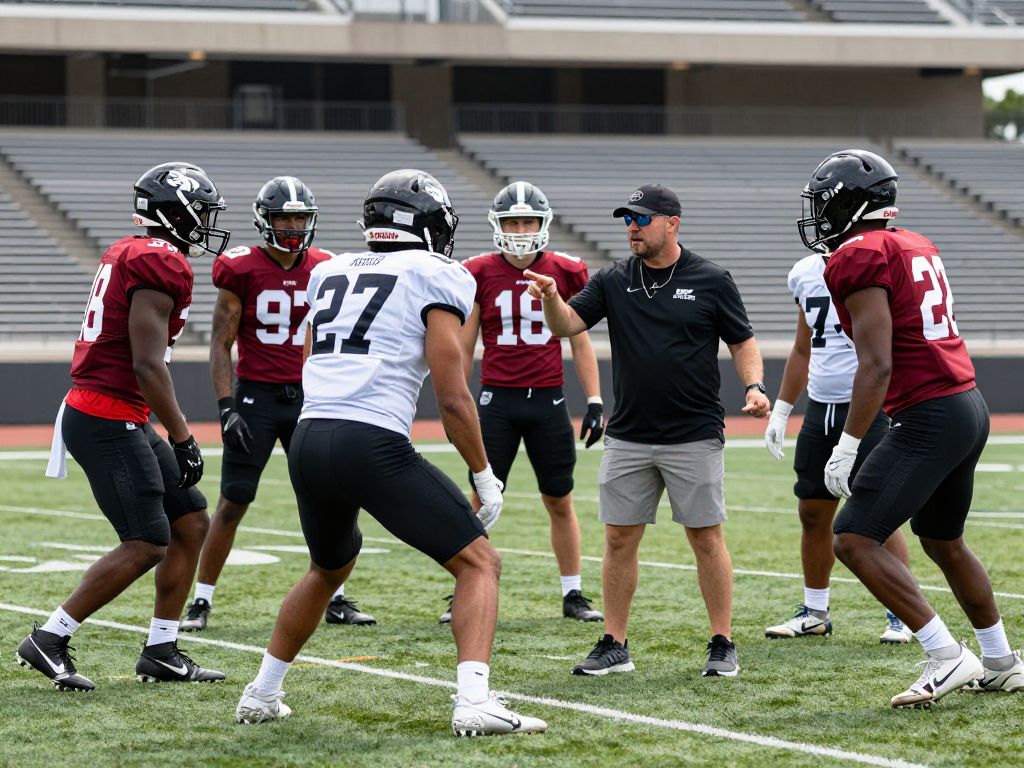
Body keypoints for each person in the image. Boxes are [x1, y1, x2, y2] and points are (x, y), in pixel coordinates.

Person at [234, 169, 547, 736]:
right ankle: (474, 701)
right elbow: (452, 396)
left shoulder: (329, 269)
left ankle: (261, 692)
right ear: (426, 224)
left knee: (328, 567)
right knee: (479, 562)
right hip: (370, 439)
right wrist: (485, 473)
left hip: (310, 436)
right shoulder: (436, 273)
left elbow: (308, 359)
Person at [801, 148, 1024, 708]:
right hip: (965, 401)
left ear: (850, 203)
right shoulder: (912, 242)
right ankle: (1000, 659)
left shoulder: (858, 254)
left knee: (853, 538)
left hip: (927, 411)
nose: (820, 217)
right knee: (943, 539)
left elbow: (877, 363)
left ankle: (946, 655)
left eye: (826, 204)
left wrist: (847, 445)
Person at [525, 184, 771, 679]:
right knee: (618, 539)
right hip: (629, 434)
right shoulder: (615, 278)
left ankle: (722, 642)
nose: (632, 228)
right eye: (626, 220)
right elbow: (566, 325)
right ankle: (615, 643)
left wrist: (755, 385)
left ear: (672, 223)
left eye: (641, 219)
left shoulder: (711, 278)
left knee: (705, 538)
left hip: (694, 432)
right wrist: (552, 298)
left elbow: (742, 340)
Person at [18, 162, 228, 691]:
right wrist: (183, 436)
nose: (204, 221)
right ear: (174, 212)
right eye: (198, 211)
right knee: (146, 542)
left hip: (118, 410)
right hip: (106, 413)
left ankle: (161, 649)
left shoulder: (133, 251)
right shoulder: (160, 261)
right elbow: (147, 364)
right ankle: (50, 637)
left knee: (191, 522)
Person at [182, 176, 375, 633]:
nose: (292, 225)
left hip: (311, 397)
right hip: (257, 398)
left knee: (331, 499)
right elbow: (220, 342)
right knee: (233, 501)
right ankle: (201, 600)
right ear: (264, 221)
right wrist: (227, 406)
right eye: (283, 217)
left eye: (299, 217)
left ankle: (338, 597)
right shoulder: (240, 268)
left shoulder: (327, 267)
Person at [445, 180, 604, 625]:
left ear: (542, 224)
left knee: (559, 499)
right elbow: (465, 343)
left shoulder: (567, 269)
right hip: (496, 401)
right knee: (480, 497)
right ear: (498, 224)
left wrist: (593, 399)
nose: (519, 229)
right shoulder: (479, 271)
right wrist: (456, 397)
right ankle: (462, 587)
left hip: (549, 400)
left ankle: (573, 593)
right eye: (512, 221)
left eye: (527, 221)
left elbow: (580, 340)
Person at [763, 249, 912, 644]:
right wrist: (781, 410)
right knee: (813, 511)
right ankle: (815, 611)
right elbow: (803, 347)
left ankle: (901, 613)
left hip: (868, 406)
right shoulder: (803, 271)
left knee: (879, 513)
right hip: (820, 407)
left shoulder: (871, 262)